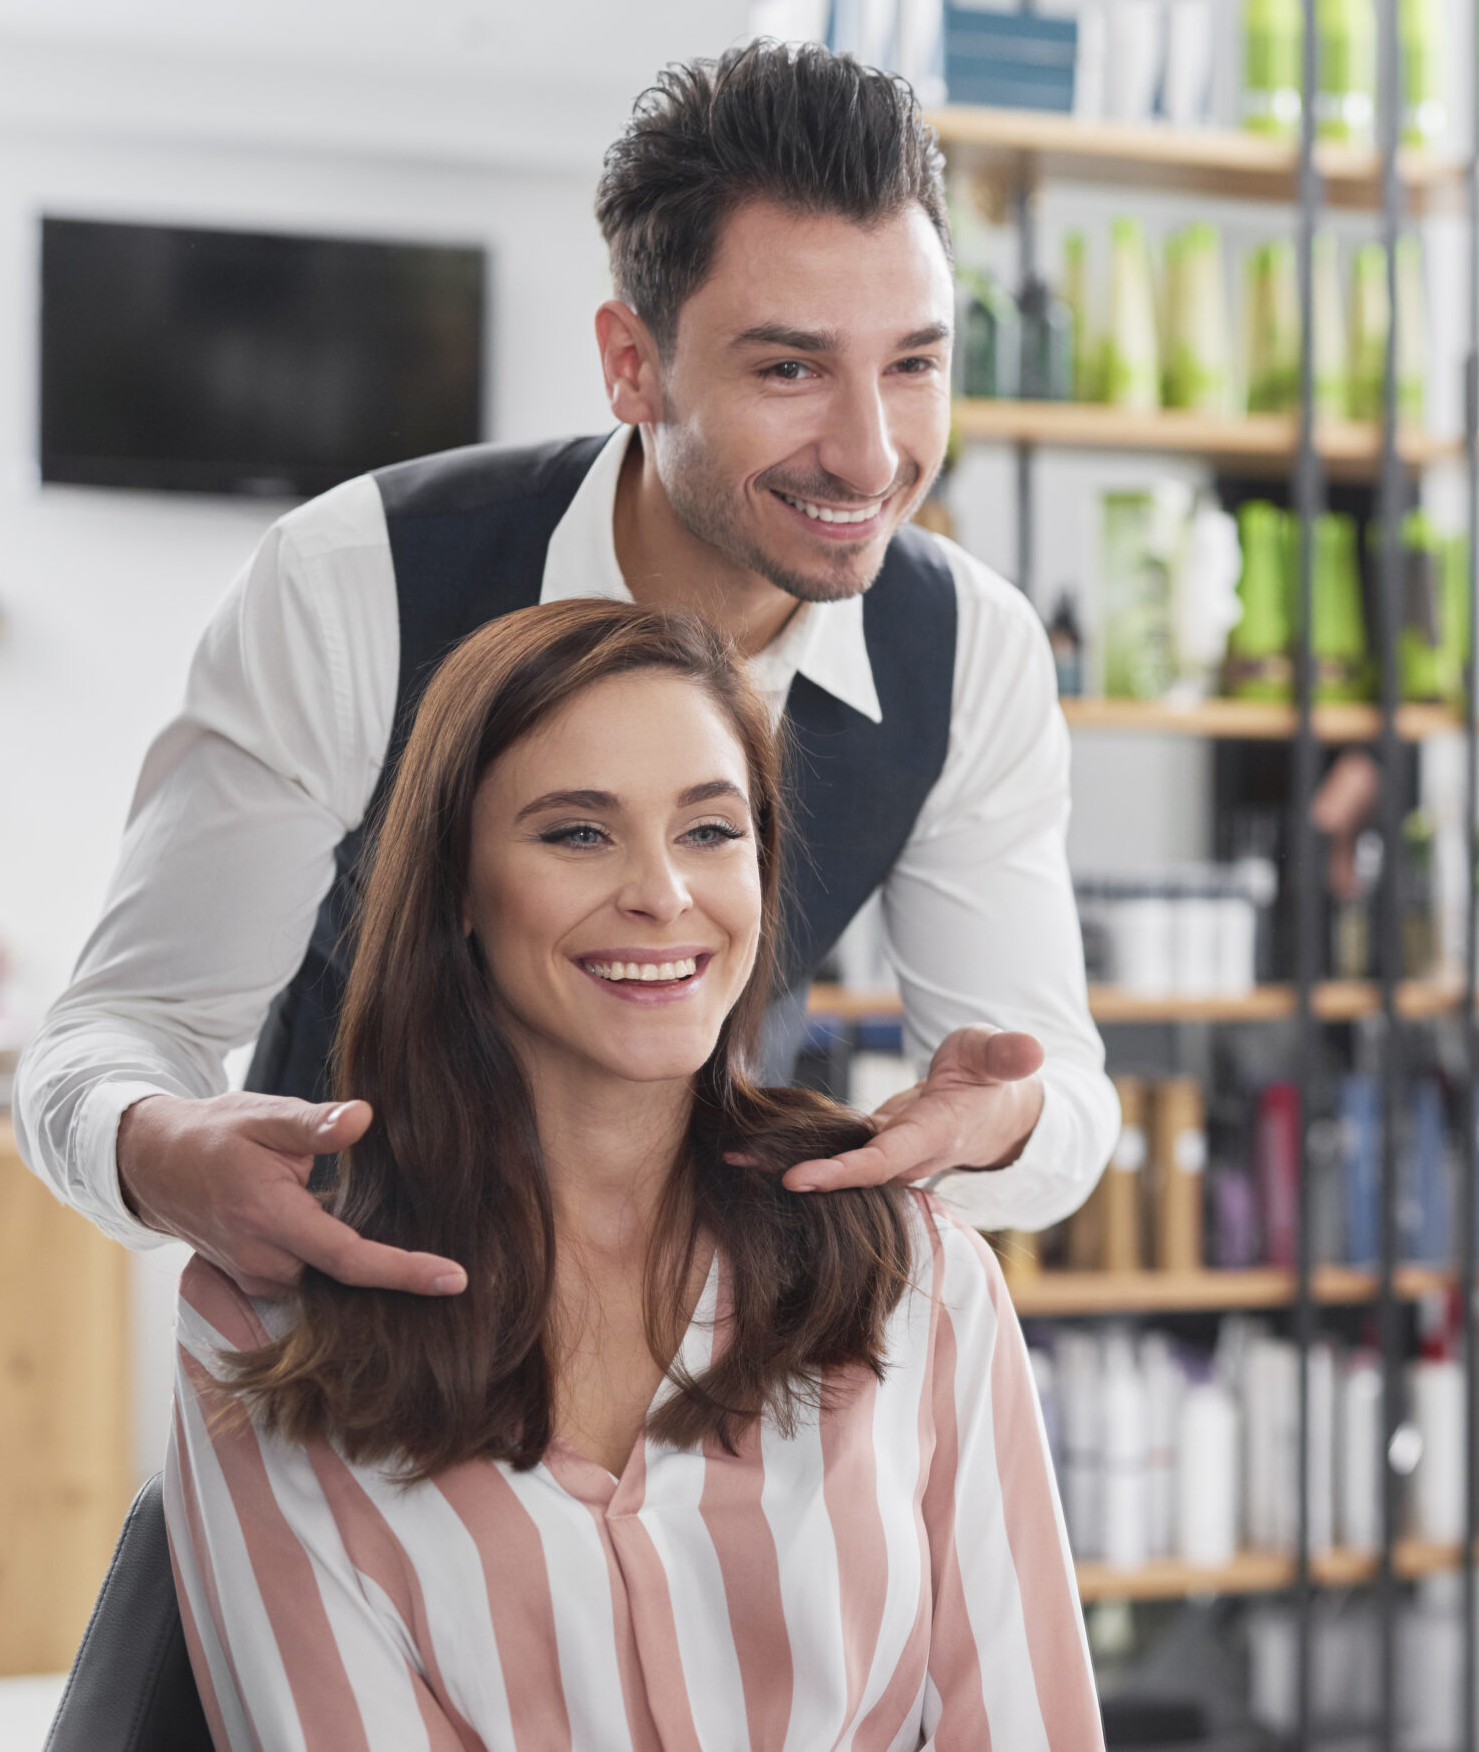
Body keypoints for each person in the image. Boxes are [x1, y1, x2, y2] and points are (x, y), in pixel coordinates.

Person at [16, 40, 1114, 1301]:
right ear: (631, 362)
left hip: (693, 1375)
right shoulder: (353, 580)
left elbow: (1061, 1101)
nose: (871, 458)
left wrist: (1000, 1130)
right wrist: (159, 1151)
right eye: (791, 368)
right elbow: (112, 1035)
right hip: (354, 1377)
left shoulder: (969, 652)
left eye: (914, 364)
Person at [167, 599, 1102, 1750]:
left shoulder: (916, 1270)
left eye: (711, 831)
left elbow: (1024, 1723)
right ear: (458, 885)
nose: (663, 893)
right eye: (577, 833)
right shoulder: (264, 1313)